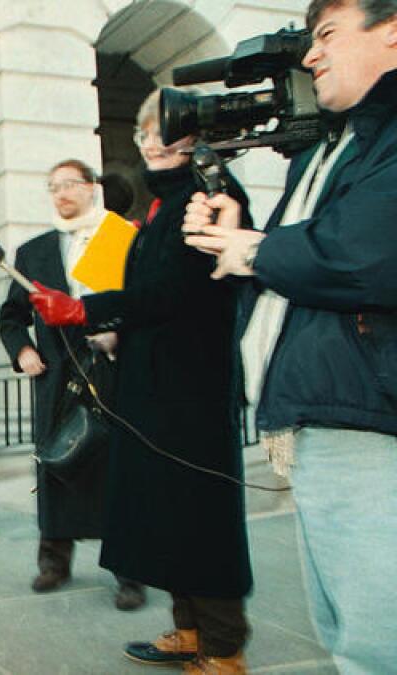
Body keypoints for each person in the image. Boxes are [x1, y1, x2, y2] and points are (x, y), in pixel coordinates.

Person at [182, 2, 397, 671]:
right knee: (346, 635)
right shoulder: (336, 145)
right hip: (322, 416)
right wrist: (235, 237)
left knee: (378, 639)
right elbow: (286, 259)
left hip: (368, 422)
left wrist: (253, 248)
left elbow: (360, 254)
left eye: (328, 35)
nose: (310, 56)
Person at [30, 91, 254, 673]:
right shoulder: (163, 203)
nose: (151, 142)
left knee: (201, 517)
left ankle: (224, 648)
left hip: (193, 392)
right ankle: (188, 630)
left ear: (192, 130)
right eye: (143, 133)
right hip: (153, 385)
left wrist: (85, 312)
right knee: (168, 512)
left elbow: (174, 293)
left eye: (163, 130)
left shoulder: (211, 193)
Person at [0, 158, 144, 611]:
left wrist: (120, 333)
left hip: (112, 375)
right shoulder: (34, 251)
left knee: (119, 474)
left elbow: (145, 303)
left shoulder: (123, 241)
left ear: (92, 188)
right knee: (57, 467)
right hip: (57, 379)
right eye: (53, 186)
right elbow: (12, 316)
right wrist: (23, 351)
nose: (61, 194)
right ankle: (54, 562)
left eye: (70, 185)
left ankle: (130, 572)